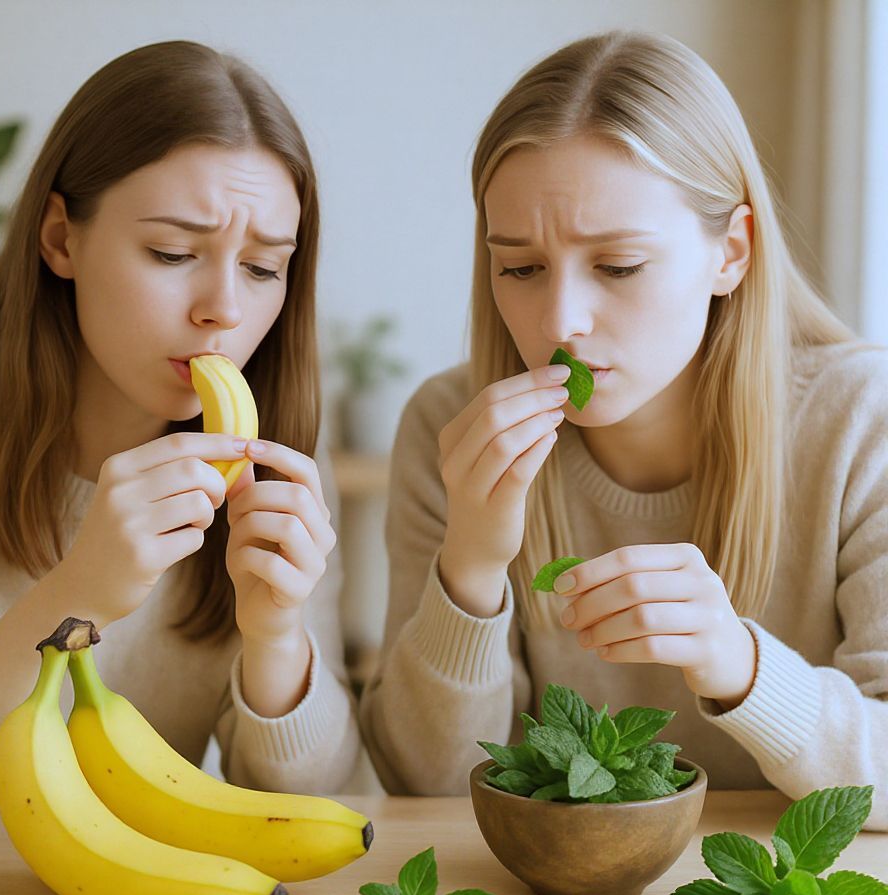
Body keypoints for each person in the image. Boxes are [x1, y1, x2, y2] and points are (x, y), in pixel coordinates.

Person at [360, 30, 888, 828]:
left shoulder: (862, 422)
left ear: (731, 253)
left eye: (618, 267)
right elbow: (426, 791)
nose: (561, 321)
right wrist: (470, 565)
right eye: (521, 267)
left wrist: (739, 665)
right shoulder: (449, 426)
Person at [0, 41, 359, 858]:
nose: (223, 311)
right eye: (172, 254)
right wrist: (77, 594)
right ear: (61, 238)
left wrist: (279, 639)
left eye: (264, 267)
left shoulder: (279, 456)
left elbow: (308, 820)